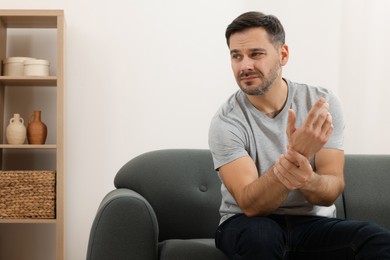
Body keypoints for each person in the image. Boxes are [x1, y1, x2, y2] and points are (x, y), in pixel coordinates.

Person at [208, 11, 390, 259]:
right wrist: (297, 155)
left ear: (283, 55)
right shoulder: (226, 121)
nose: (245, 65)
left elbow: (331, 189)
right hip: (245, 223)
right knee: (260, 236)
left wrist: (307, 180)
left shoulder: (320, 104)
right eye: (236, 56)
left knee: (377, 239)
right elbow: (251, 205)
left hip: (312, 223)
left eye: (256, 54)